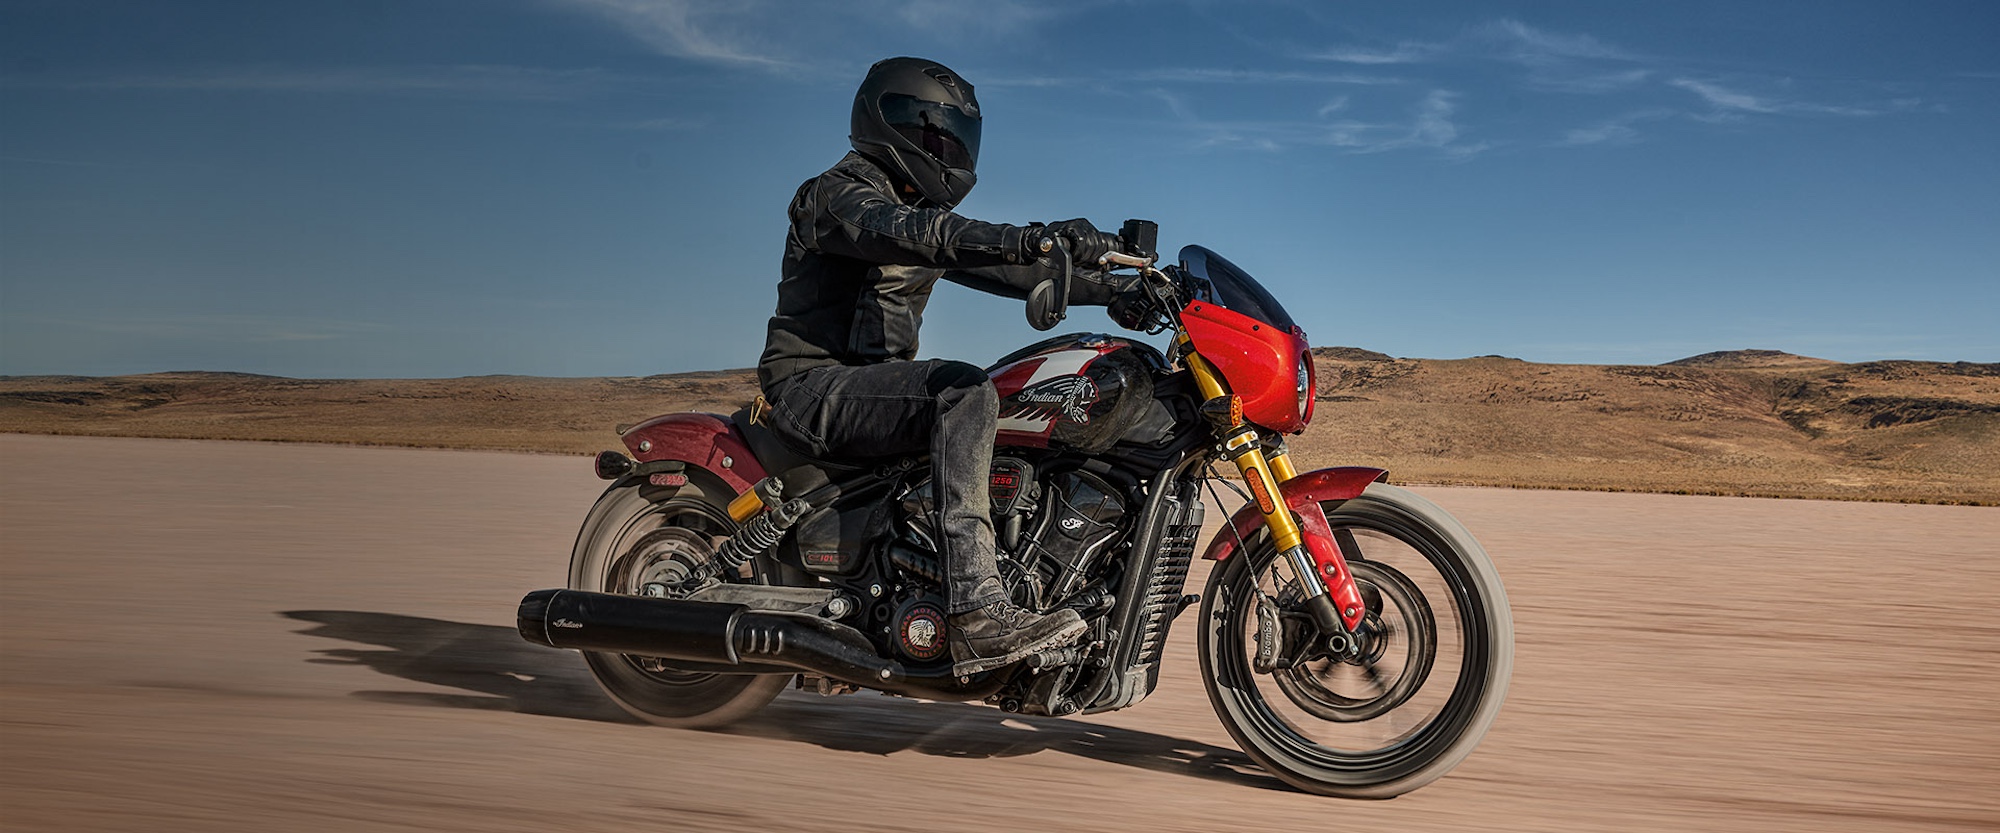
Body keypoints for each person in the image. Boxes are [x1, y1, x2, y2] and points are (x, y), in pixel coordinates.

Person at [757, 56, 1128, 675]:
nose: (950, 151)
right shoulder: (836, 197)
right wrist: (1032, 234)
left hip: (870, 392)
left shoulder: (921, 217)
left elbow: (1016, 270)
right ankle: (976, 612)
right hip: (810, 387)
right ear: (891, 122)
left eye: (959, 139)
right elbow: (907, 231)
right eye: (938, 136)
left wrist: (1119, 288)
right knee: (964, 391)